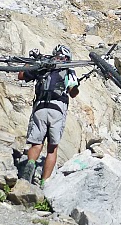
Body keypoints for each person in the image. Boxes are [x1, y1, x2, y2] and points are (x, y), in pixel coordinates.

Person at [18, 44, 79, 185]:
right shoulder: (67, 69)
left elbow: (21, 75)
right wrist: (75, 86)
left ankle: (30, 165)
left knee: (37, 144)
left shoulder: (43, 66)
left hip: (40, 107)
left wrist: (30, 61)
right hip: (57, 109)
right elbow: (73, 93)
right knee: (52, 148)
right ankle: (44, 182)